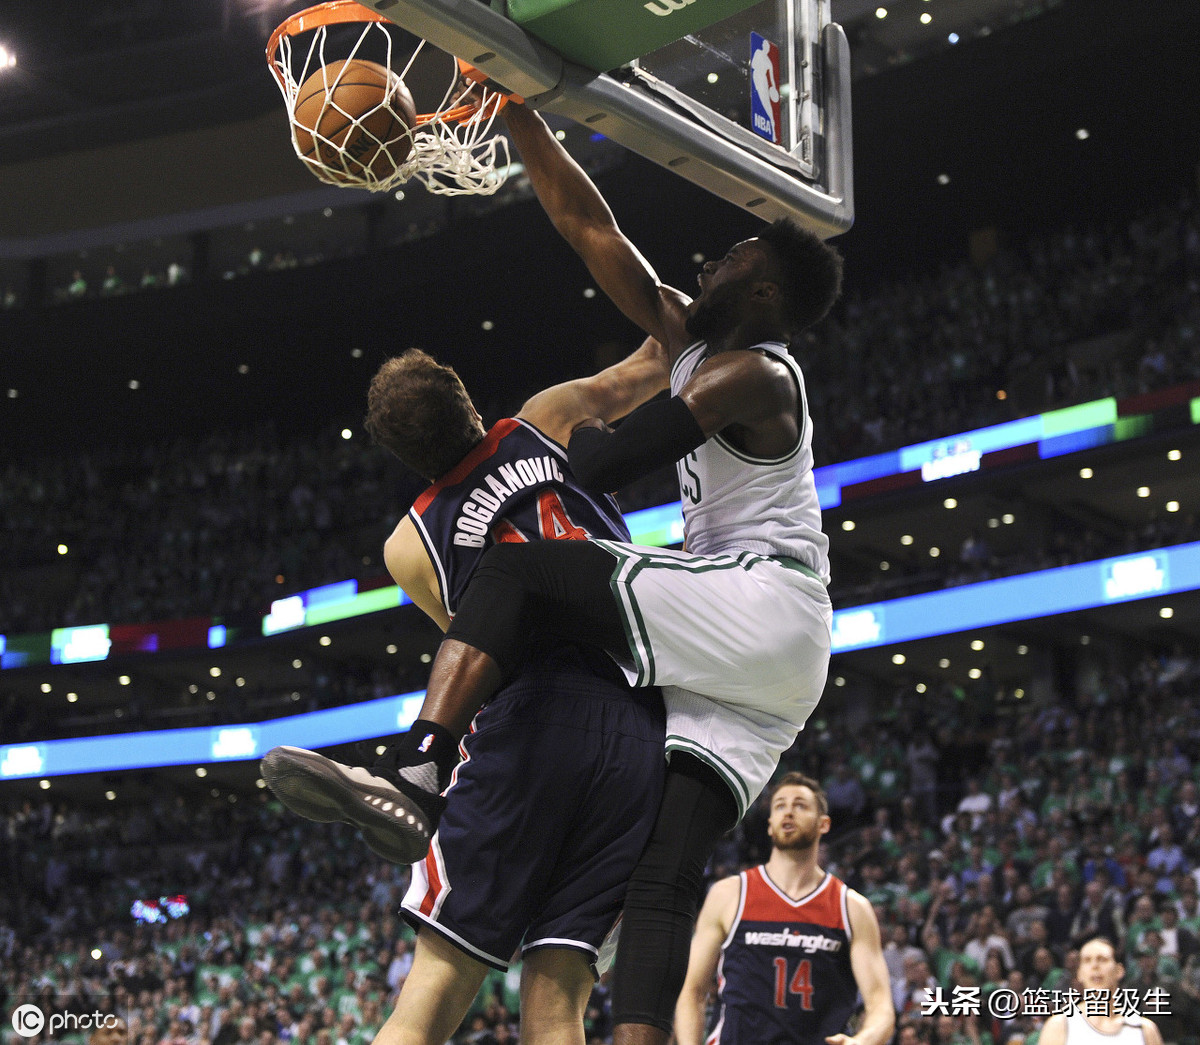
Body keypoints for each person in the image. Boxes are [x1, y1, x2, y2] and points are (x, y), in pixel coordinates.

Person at [267, 98, 842, 1045]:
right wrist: (514, 106)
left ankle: (417, 771)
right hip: (715, 677)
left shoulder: (760, 372)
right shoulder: (669, 356)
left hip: (755, 598)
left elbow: (611, 463)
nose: (706, 262)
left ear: (767, 291)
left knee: (530, 569)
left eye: (730, 256)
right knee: (654, 886)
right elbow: (589, 226)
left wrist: (518, 468)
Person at [265, 341, 672, 1045]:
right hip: (642, 713)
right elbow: (656, 363)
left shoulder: (408, 544)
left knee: (432, 992)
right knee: (557, 997)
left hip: (534, 720)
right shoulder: (545, 417)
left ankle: (414, 771)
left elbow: (477, 643)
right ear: (470, 400)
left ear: (405, 458)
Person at [674, 774, 894, 1045]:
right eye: (779, 805)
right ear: (770, 825)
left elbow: (881, 1005)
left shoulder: (851, 907)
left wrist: (863, 1041)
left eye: (800, 805)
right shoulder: (730, 894)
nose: (788, 811)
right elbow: (692, 991)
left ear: (823, 824)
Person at [1038, 936, 1164, 1045]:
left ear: (1119, 971)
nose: (1095, 966)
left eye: (1102, 959)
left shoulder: (1144, 1029)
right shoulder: (1060, 1025)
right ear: (1080, 974)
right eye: (1087, 960)